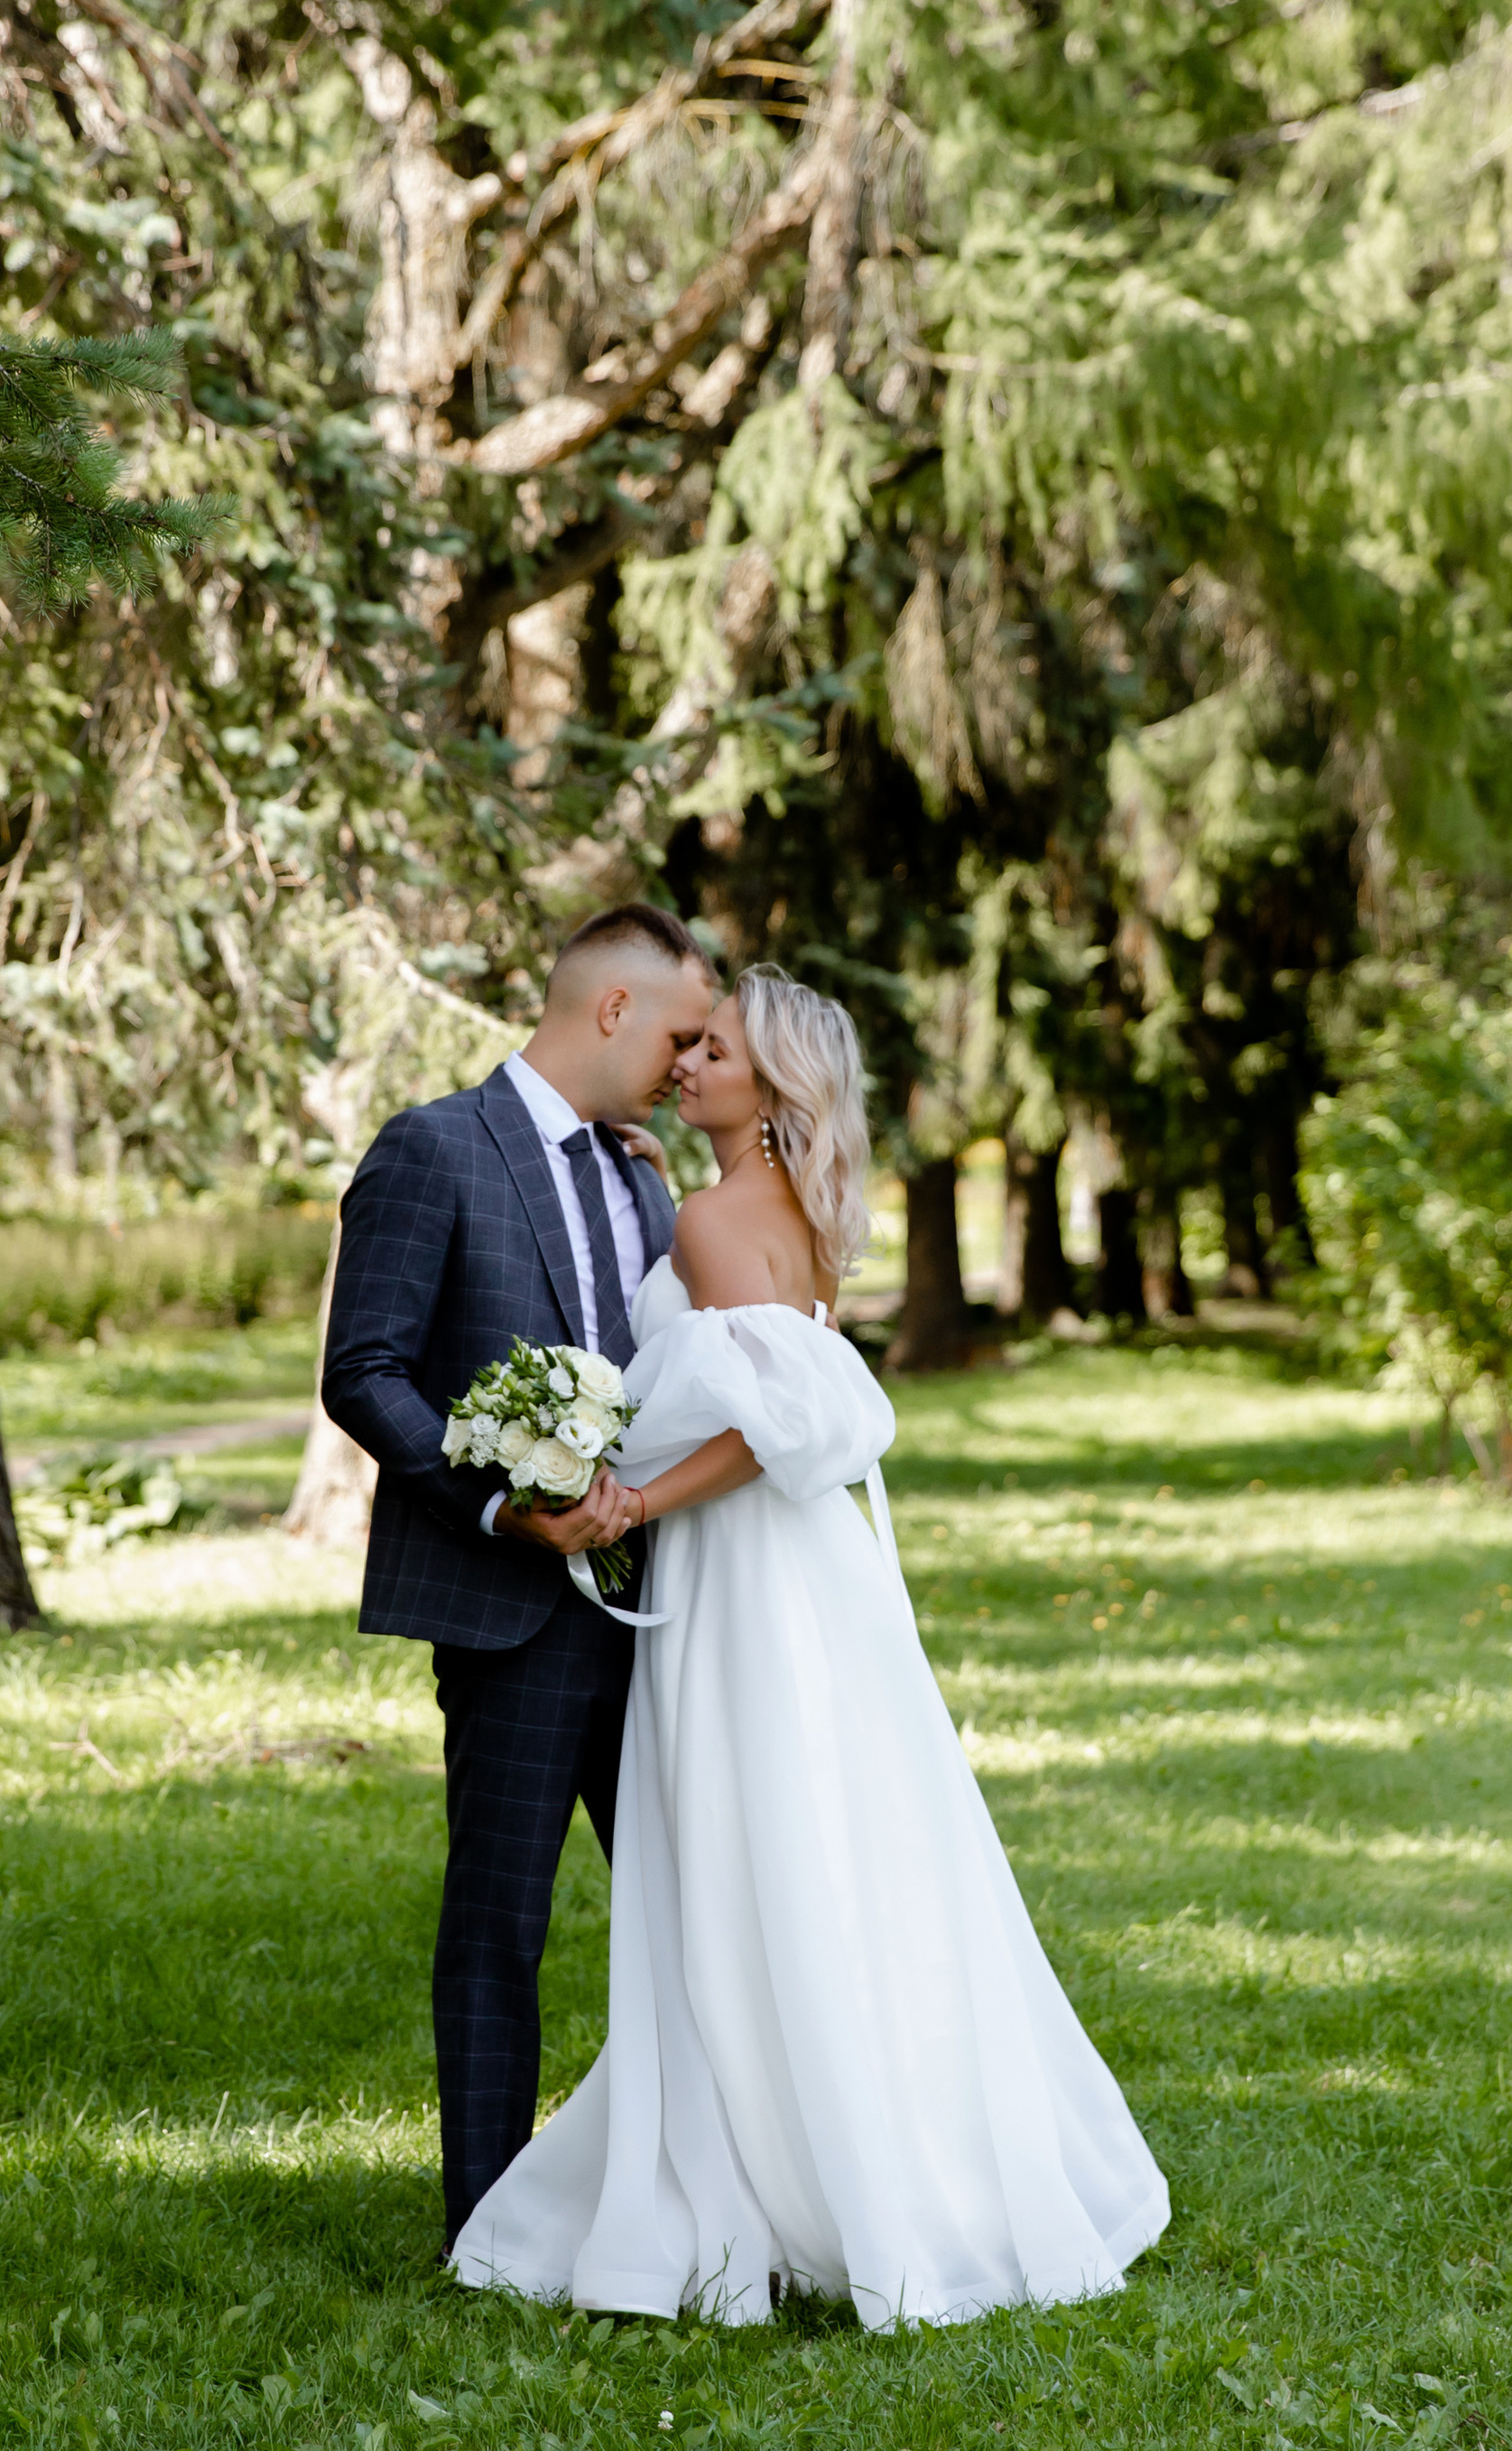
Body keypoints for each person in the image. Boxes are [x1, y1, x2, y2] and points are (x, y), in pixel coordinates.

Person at [451, 966, 1170, 2328]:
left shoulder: (721, 1224)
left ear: (770, 1089)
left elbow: (758, 1427)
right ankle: (861, 2149)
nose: (685, 1062)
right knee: (835, 1845)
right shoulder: (792, 1215)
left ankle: (764, 2173)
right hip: (815, 1568)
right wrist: (679, 1196)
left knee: (746, 1848)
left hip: (742, 1577)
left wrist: (633, 1503)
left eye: (710, 1052)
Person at [322, 904, 717, 2254]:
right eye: (677, 1032)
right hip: (512, 1616)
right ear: (611, 1010)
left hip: (667, 1608)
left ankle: (703, 2202)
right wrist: (503, 1501)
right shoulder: (434, 1149)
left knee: (698, 1913)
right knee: (502, 1922)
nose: (685, 1059)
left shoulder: (644, 1175)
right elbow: (363, 1372)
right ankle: (486, 2225)